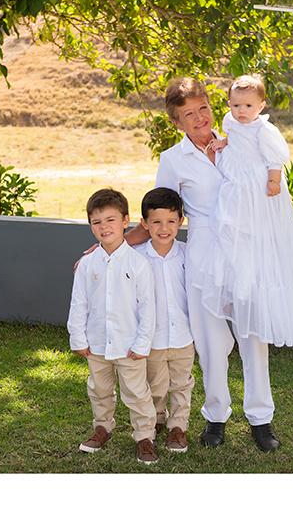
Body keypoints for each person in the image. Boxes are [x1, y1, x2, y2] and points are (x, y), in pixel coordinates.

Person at [121, 77, 283, 452]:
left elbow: (269, 187)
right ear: (176, 122)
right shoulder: (173, 160)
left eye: (203, 108)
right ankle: (216, 417)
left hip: (246, 253)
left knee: (254, 338)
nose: (200, 118)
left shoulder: (241, 141)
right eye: (189, 114)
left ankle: (261, 419)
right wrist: (110, 247)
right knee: (211, 344)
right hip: (204, 256)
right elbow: (159, 213)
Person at [201, 74, 293, 348]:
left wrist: (273, 180)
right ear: (229, 104)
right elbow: (235, 140)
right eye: (236, 105)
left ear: (261, 106)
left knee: (255, 229)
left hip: (257, 184)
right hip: (237, 182)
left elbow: (274, 158)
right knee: (230, 226)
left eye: (248, 106)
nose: (241, 112)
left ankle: (255, 294)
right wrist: (224, 143)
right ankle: (236, 287)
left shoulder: (264, 130)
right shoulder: (230, 122)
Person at [66, 188, 159, 464]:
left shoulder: (139, 263)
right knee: (99, 389)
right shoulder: (87, 264)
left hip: (129, 345)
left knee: (137, 393)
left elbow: (147, 307)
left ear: (125, 221)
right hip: (96, 343)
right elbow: (78, 303)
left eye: (110, 220)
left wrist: (142, 343)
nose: (104, 227)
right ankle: (102, 427)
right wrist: (78, 338)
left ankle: (144, 436)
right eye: (96, 222)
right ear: (90, 225)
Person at [134, 187, 196, 453]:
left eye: (171, 221)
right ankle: (157, 418)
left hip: (183, 335)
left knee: (182, 385)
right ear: (145, 224)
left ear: (181, 221)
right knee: (155, 386)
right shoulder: (136, 257)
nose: (164, 228)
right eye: (156, 222)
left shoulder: (188, 253)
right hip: (153, 338)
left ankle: (178, 427)